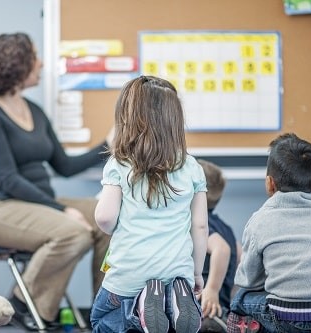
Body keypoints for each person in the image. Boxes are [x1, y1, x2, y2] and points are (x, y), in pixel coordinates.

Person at [0, 32, 111, 330]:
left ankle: (106, 311)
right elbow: (7, 180)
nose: (42, 63)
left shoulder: (35, 111)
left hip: (38, 204)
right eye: (35, 56)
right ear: (17, 64)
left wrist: (109, 144)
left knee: (107, 219)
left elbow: (65, 166)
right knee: (73, 232)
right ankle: (24, 304)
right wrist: (61, 211)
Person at [90, 75, 208, 333]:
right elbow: (199, 227)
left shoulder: (120, 164)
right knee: (169, 323)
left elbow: (105, 218)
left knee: (101, 321)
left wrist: (115, 228)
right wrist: (197, 274)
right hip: (177, 275)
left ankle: (135, 314)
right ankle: (168, 303)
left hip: (129, 276)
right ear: (175, 120)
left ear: (127, 118)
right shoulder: (191, 166)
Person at [227, 133, 311, 333]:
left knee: (241, 297)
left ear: (269, 183)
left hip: (289, 319)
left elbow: (248, 280)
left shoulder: (260, 220)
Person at [197, 159, 242, 333]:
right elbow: (239, 254)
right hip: (222, 309)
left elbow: (222, 249)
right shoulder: (226, 228)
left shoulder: (200, 225)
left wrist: (212, 289)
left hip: (206, 309)